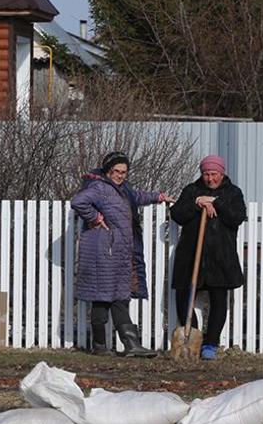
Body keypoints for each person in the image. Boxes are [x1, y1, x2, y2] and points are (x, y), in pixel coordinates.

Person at [70, 151, 172, 357]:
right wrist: (95, 217)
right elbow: (78, 201)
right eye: (116, 171)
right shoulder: (99, 187)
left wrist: (158, 197)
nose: (120, 175)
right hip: (104, 251)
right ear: (108, 171)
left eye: (124, 172)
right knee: (113, 297)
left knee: (108, 297)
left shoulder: (122, 189)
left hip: (117, 251)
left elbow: (137, 196)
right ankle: (129, 344)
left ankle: (102, 346)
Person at [170, 155, 247, 361]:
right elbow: (177, 214)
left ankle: (210, 345)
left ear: (221, 173)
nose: (210, 179)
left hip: (220, 256)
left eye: (213, 174)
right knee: (183, 298)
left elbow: (236, 217)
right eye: (206, 174)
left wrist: (216, 202)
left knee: (218, 299)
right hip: (190, 255)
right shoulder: (191, 190)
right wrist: (197, 202)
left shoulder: (232, 193)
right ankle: (191, 338)